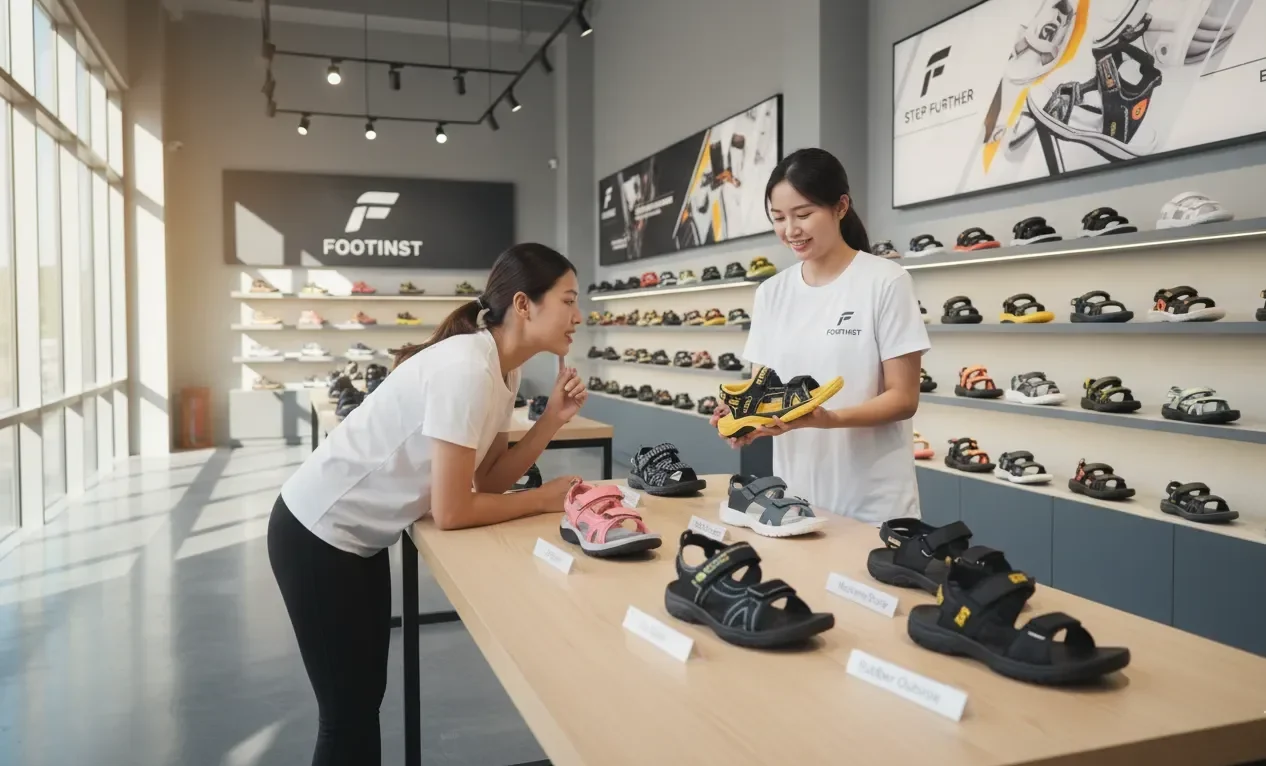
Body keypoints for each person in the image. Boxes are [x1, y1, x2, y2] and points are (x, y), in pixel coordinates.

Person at [267, 243, 588, 766]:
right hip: (316, 535)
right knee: (346, 714)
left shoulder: (503, 372)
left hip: (359, 541)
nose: (578, 317)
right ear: (525, 305)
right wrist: (544, 499)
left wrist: (551, 419)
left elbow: (487, 479)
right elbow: (454, 511)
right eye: (569, 300)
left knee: (361, 705)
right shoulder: (465, 368)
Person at [709, 148, 930, 523]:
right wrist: (745, 420)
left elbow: (903, 398)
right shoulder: (771, 294)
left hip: (874, 503)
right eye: (778, 218)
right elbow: (763, 391)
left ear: (841, 206)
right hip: (793, 501)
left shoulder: (886, 281)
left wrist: (827, 419)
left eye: (803, 214)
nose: (790, 230)